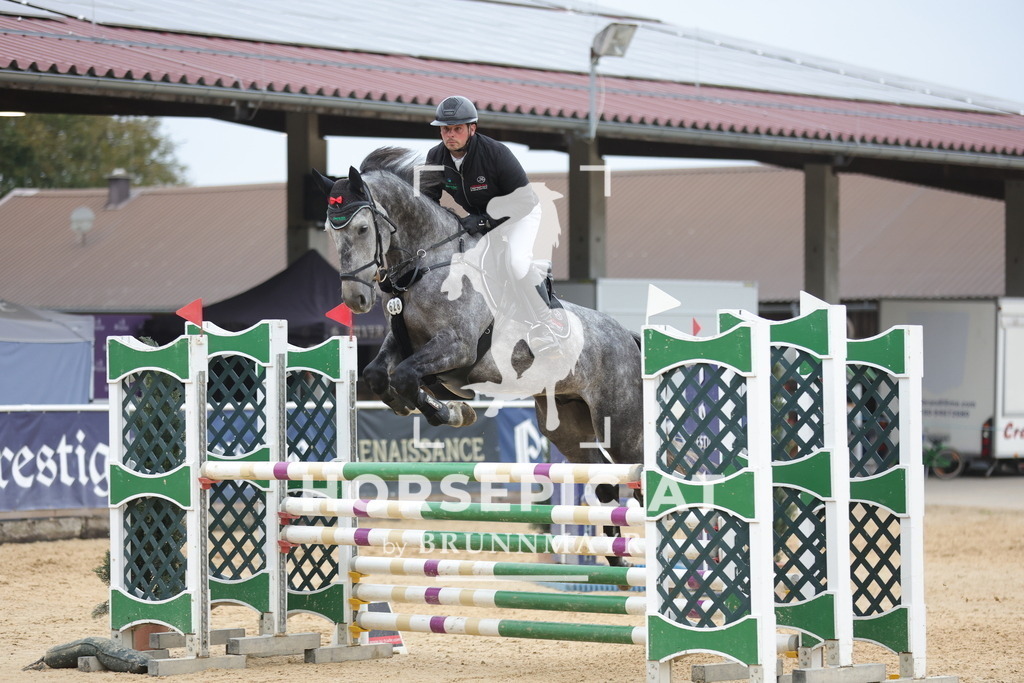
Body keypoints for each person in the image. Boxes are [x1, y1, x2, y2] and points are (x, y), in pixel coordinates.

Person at [423, 95, 567, 353]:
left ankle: (547, 323)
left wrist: (484, 219)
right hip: (481, 220)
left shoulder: (496, 153)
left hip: (520, 215)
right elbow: (426, 201)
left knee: (515, 262)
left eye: (457, 129)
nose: (450, 135)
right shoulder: (435, 157)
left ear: (472, 129)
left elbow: (523, 200)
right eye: (445, 129)